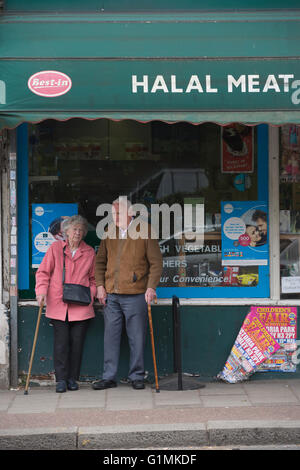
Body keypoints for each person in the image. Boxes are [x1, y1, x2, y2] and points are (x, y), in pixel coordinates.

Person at [93, 197, 162, 391]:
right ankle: (109, 377)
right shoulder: (109, 232)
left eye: (118, 213)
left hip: (136, 293)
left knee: (136, 337)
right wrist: (100, 285)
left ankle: (137, 376)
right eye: (112, 213)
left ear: (130, 213)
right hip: (112, 294)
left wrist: (151, 287)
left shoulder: (145, 231)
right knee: (110, 337)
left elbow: (156, 263)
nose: (114, 217)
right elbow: (100, 262)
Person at [35, 215, 96, 393]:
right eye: (74, 229)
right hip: (58, 303)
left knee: (77, 343)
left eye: (80, 230)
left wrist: (91, 295)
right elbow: (43, 272)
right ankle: (61, 380)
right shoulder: (55, 248)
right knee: (61, 344)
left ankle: (72, 378)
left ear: (84, 233)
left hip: (81, 305)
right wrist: (41, 291)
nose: (77, 232)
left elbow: (93, 279)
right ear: (66, 232)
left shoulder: (89, 252)